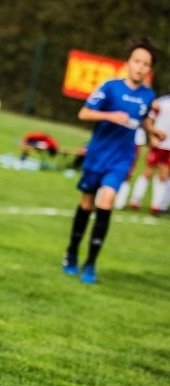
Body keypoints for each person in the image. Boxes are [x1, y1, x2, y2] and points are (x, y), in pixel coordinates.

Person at [61, 38, 164, 284]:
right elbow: (84, 113)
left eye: (146, 64)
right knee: (87, 204)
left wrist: (153, 132)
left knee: (106, 201)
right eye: (137, 61)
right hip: (97, 154)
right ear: (128, 63)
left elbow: (142, 119)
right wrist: (110, 116)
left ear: (150, 70)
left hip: (121, 158)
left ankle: (90, 263)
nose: (140, 67)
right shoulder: (110, 87)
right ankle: (72, 252)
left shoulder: (148, 96)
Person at [124, 92, 170, 215]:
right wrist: (152, 137)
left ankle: (157, 206)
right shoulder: (161, 102)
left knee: (164, 175)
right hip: (159, 144)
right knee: (148, 171)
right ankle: (135, 200)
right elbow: (148, 120)